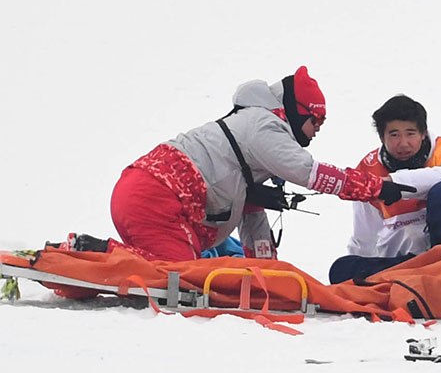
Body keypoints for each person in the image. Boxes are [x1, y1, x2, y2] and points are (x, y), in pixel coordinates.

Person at [99, 66, 414, 262]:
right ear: (298, 112)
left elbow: (253, 221)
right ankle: (90, 253)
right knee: (178, 279)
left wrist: (266, 271)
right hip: (154, 198)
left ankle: (96, 255)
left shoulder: (250, 135)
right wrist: (376, 188)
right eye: (316, 120)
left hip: (142, 192)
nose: (318, 128)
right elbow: (311, 173)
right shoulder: (264, 126)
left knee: (174, 274)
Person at [327, 95, 441, 283]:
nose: (403, 143)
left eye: (410, 133)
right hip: (409, 262)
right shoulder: (368, 171)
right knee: (342, 269)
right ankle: (420, 280)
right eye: (394, 135)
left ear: (423, 133)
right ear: (382, 137)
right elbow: (365, 237)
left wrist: (393, 183)